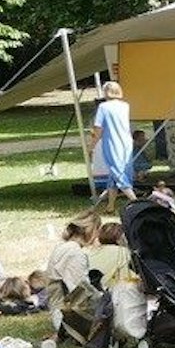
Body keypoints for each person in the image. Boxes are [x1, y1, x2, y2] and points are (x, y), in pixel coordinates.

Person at [91, 80, 135, 209]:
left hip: (112, 143)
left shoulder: (103, 107)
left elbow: (98, 128)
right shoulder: (125, 106)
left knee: (117, 173)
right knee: (115, 174)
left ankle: (136, 201)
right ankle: (110, 206)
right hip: (126, 142)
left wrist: (92, 145)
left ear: (106, 92)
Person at [45, 215, 98, 299]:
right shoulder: (76, 253)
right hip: (65, 303)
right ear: (91, 232)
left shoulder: (62, 246)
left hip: (55, 298)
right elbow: (78, 288)